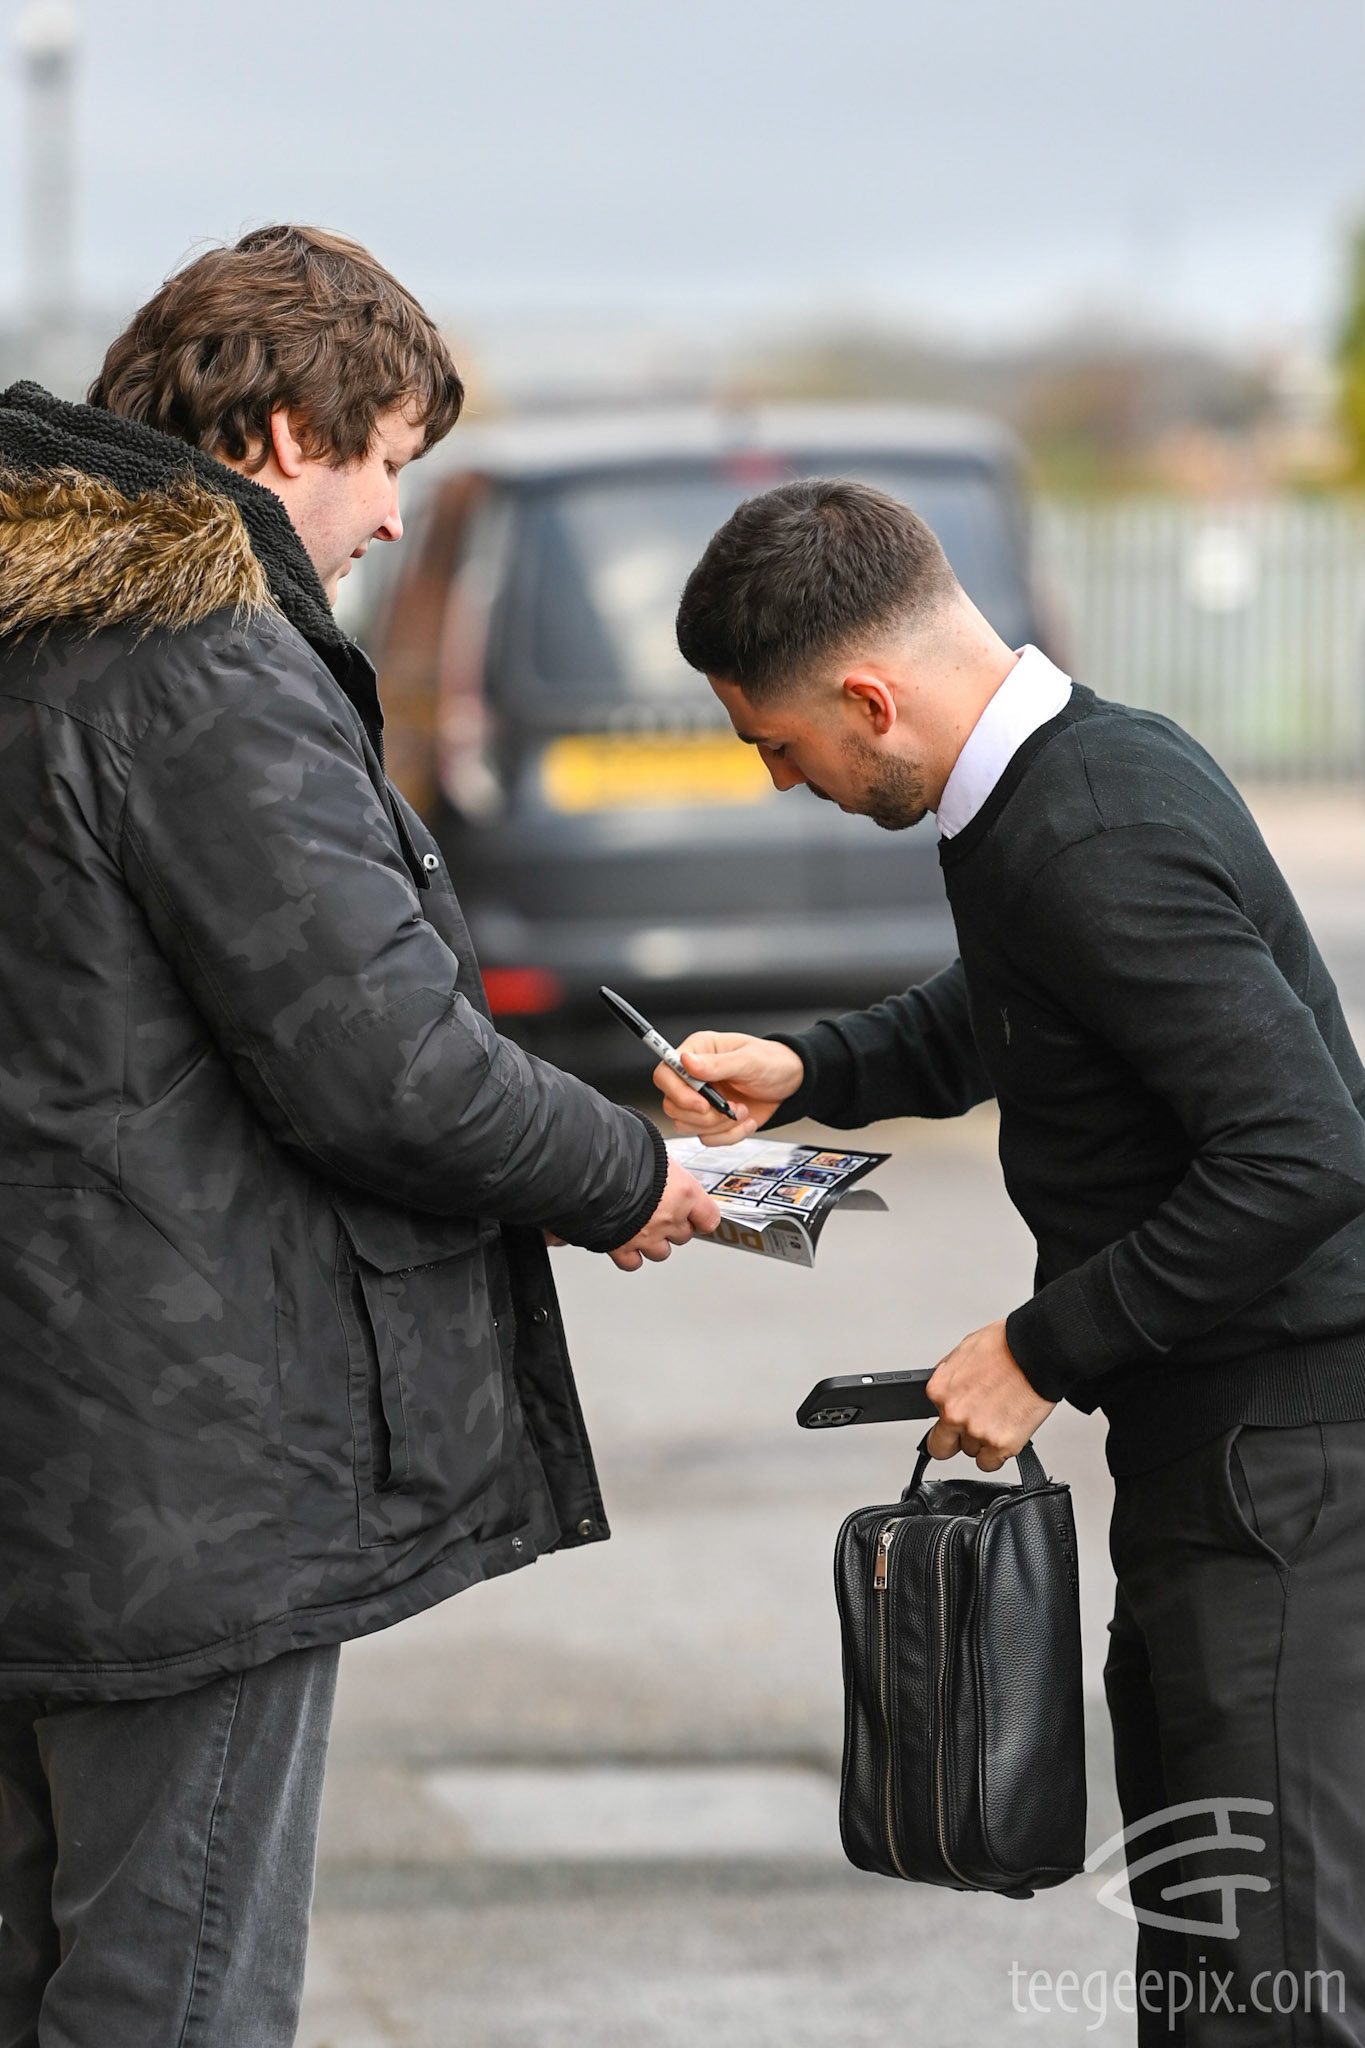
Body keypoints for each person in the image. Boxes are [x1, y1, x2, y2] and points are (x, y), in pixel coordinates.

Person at [0, 224, 718, 2047]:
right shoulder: (197, 665)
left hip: (52, 1450)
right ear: (279, 435)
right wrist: (631, 1175)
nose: (394, 515)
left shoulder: (33, 638)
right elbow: (383, 1063)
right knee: (175, 1995)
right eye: (388, 459)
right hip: (175, 1474)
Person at [655, 477, 1365, 2045]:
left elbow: (1305, 1152)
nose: (779, 780)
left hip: (1287, 1476)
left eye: (778, 745)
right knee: (1205, 1971)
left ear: (868, 698)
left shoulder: (1086, 827)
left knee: (1272, 1990)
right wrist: (813, 1066)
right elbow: (1025, 1003)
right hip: (1225, 1460)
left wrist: (1042, 1348)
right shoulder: (1057, 784)